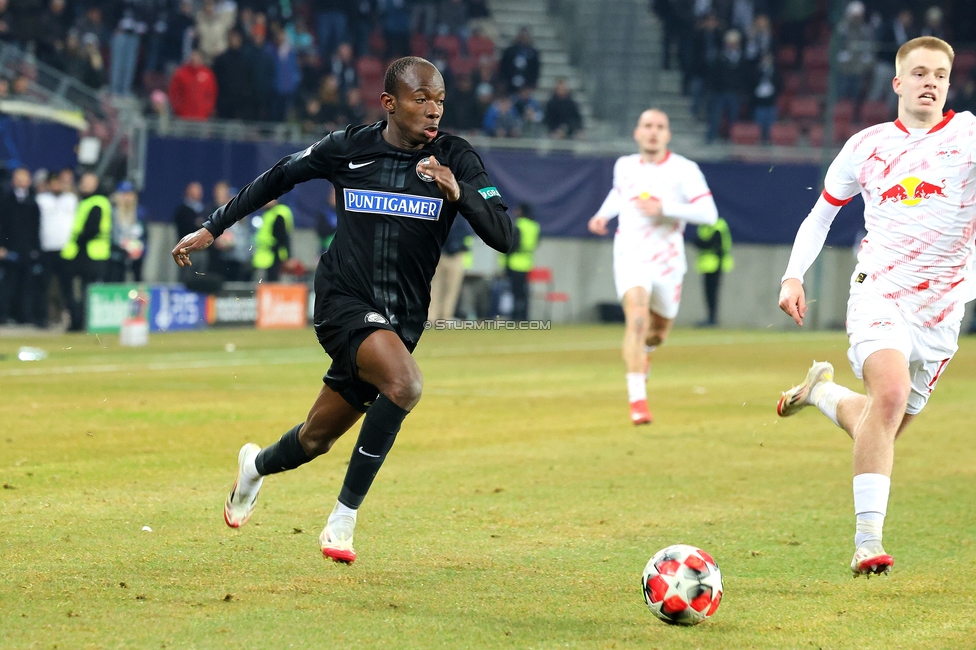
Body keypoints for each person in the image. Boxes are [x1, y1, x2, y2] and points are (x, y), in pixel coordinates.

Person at [171, 56, 514, 564]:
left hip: (402, 320)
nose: (434, 109)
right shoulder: (349, 147)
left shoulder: (455, 157)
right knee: (406, 385)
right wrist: (213, 226)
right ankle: (341, 522)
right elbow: (279, 176)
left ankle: (254, 468)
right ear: (390, 103)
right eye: (422, 99)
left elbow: (503, 236)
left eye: (440, 99)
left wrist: (458, 191)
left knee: (315, 439)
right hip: (342, 301)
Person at [776, 37, 976, 578]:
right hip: (880, 291)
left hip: (942, 312)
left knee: (878, 424)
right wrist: (794, 275)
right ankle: (867, 543)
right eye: (918, 73)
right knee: (886, 398)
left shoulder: (970, 136)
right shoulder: (866, 146)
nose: (929, 81)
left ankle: (819, 393)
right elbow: (821, 216)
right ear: (897, 83)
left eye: (939, 73)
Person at [588, 109, 718, 425]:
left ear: (667, 135)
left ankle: (645, 355)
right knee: (636, 316)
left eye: (660, 126)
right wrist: (603, 214)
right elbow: (619, 193)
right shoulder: (625, 165)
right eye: (647, 125)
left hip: (668, 262)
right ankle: (637, 401)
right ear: (637, 132)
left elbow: (709, 214)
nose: (653, 132)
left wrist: (665, 209)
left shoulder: (685, 170)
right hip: (631, 254)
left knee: (657, 333)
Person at [61, 172, 110, 332]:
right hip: (87, 254)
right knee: (83, 291)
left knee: (81, 291)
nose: (85, 185)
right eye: (83, 182)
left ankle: (79, 322)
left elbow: (91, 229)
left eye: (89, 182)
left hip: (89, 254)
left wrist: (78, 239)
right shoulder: (87, 201)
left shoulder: (96, 202)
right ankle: (80, 321)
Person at [36, 167, 77, 328]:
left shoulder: (71, 199)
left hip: (66, 249)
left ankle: (72, 319)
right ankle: (44, 318)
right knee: (45, 286)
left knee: (67, 287)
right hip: (46, 248)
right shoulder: (41, 200)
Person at [0, 168, 42, 325]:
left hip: (27, 250)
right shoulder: (5, 201)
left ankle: (24, 317)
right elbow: (2, 226)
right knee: (8, 284)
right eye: (18, 179)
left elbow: (36, 229)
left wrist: (35, 250)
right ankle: (4, 316)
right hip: (9, 249)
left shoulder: (33, 203)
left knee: (26, 286)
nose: (21, 182)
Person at [428, 214, 473, 322]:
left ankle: (442, 317)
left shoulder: (459, 214)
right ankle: (434, 317)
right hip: (443, 254)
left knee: (447, 288)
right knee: (438, 287)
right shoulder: (461, 214)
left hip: (452, 255)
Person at [691, 216, 733, 327]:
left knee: (713, 293)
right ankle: (710, 317)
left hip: (716, 264)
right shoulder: (704, 226)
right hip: (706, 265)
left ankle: (713, 318)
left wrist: (702, 243)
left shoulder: (718, 225)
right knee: (708, 293)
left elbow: (712, 243)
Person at [502, 202, 539, 322]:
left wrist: (505, 261)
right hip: (527, 262)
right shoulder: (534, 226)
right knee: (523, 292)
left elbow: (511, 245)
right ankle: (524, 316)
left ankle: (515, 317)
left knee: (515, 292)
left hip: (515, 262)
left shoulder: (518, 225)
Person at [252, 199, 293, 282]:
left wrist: (288, 257)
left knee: (272, 282)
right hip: (266, 255)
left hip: (274, 255)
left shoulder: (278, 214)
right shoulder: (269, 213)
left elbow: (283, 237)